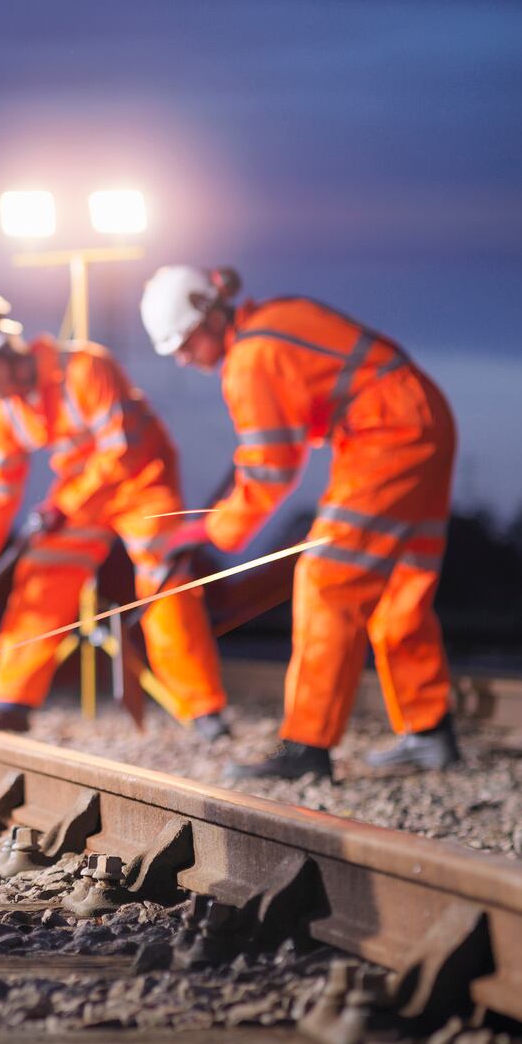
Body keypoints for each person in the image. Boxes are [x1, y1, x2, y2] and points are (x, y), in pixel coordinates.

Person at [140, 265, 460, 781]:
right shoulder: (271, 322)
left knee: (327, 577)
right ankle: (429, 730)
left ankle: (306, 747)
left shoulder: (250, 357)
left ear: (209, 317)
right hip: (421, 417)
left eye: (184, 343)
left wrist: (209, 532)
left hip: (386, 433)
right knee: (402, 584)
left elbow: (270, 468)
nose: (182, 357)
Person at [0, 297, 227, 735]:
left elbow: (122, 450)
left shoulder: (86, 367)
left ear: (3, 354)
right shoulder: (5, 410)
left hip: (142, 480)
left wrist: (63, 505)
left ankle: (204, 709)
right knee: (41, 576)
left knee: (164, 578)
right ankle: (10, 703)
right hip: (80, 495)